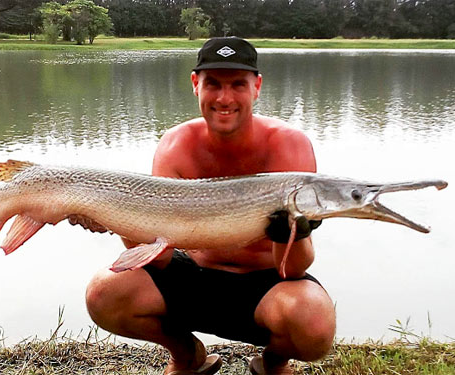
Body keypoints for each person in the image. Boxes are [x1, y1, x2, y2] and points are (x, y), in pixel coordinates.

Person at [85, 37, 336, 375]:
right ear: (195, 84)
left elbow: (292, 270)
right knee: (103, 293)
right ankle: (186, 354)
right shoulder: (175, 147)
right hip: (194, 276)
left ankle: (273, 363)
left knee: (315, 324)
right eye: (213, 84)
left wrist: (292, 234)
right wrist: (114, 217)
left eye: (238, 84)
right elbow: (157, 257)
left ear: (257, 86)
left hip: (266, 284)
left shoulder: (289, 147)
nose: (224, 98)